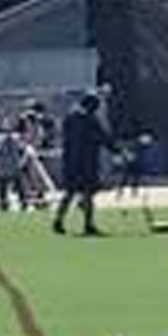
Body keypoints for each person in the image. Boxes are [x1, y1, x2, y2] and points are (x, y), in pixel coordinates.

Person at [52, 92, 107, 236]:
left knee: (69, 193)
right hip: (86, 162)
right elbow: (103, 138)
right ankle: (88, 224)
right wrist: (118, 150)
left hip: (71, 162)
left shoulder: (70, 118)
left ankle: (58, 220)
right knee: (88, 193)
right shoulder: (90, 120)